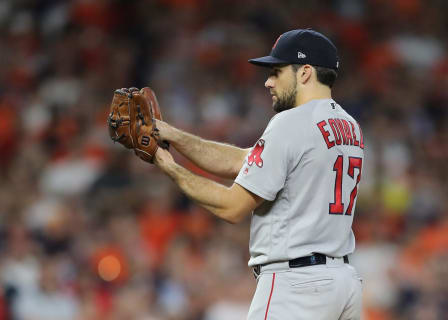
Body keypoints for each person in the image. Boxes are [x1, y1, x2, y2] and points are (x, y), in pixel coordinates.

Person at [153, 29, 364, 320]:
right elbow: (244, 160)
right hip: (343, 283)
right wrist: (172, 136)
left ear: (304, 73)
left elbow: (231, 207)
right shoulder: (349, 125)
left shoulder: (289, 123)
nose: (268, 81)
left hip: (296, 286)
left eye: (277, 72)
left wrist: (168, 166)